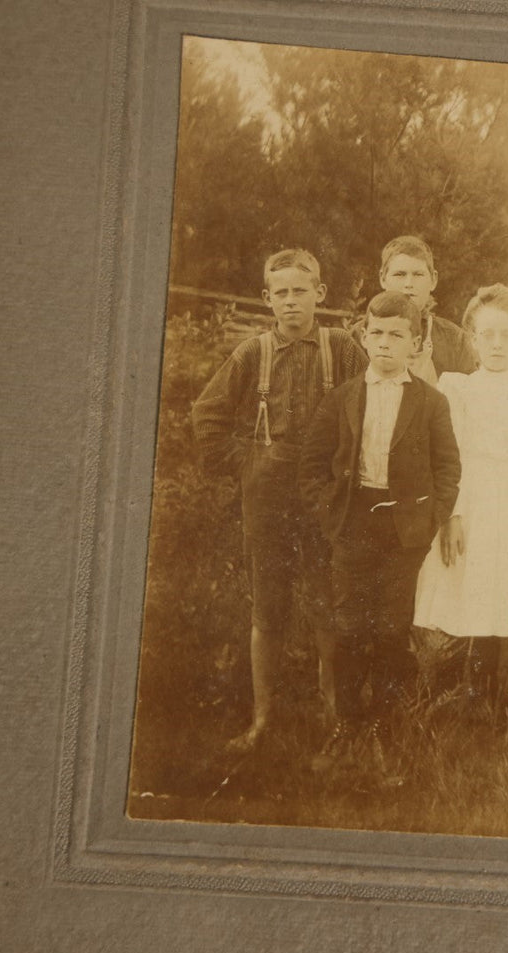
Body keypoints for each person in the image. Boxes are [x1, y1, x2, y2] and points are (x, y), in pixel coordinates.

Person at [190, 248, 362, 752]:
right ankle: (263, 722)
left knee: (329, 604)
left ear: (319, 295)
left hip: (325, 494)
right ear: (267, 299)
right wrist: (245, 462)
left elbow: (373, 400)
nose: (291, 302)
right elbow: (206, 415)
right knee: (269, 608)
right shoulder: (253, 353)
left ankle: (336, 720)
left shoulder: (344, 348)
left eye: (300, 291)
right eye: (281, 293)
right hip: (267, 492)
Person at [299, 291, 461, 743]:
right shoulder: (343, 397)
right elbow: (312, 466)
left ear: (415, 343)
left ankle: (386, 726)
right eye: (377, 333)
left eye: (396, 334)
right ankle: (347, 724)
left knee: (391, 630)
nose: (385, 343)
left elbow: (448, 468)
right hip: (353, 523)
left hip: (404, 529)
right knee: (350, 626)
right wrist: (331, 513)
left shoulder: (431, 401)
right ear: (364, 338)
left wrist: (432, 518)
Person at [413, 284, 508, 706]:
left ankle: (484, 697)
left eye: (506, 335)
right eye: (487, 334)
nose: (497, 344)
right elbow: (450, 458)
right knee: (460, 587)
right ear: (473, 339)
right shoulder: (458, 388)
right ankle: (444, 691)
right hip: (468, 501)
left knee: (498, 592)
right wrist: (451, 515)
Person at [346, 236, 477, 381]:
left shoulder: (455, 340)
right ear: (383, 278)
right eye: (400, 274)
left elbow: (469, 397)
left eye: (418, 274)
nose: (409, 283)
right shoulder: (358, 337)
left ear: (433, 280)